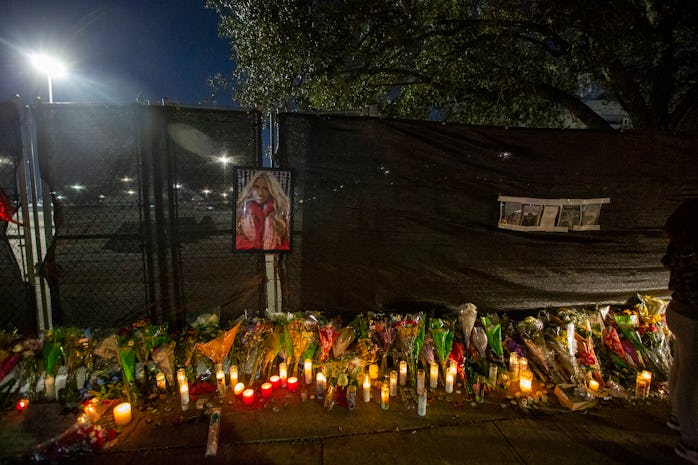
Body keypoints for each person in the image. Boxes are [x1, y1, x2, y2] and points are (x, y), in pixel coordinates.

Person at [663, 198, 698, 464]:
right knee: (691, 378)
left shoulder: (680, 248)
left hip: (677, 312)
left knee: (680, 366)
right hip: (691, 318)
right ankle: (691, 442)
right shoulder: (694, 252)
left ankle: (677, 416)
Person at [235, 170, 290, 251]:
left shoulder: (280, 211)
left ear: (272, 191)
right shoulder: (243, 211)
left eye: (266, 189)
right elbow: (239, 240)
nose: (260, 193)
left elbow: (286, 242)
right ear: (251, 188)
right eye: (256, 187)